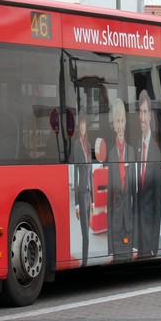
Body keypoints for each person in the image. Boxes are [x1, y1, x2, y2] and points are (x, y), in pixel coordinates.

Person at [135, 90, 161, 258]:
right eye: (140, 112)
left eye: (145, 112)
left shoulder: (155, 151)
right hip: (138, 234)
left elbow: (158, 203)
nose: (142, 117)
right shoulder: (137, 145)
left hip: (149, 237)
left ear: (150, 115)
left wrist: (154, 245)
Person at [107, 98, 135, 262]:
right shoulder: (111, 155)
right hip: (117, 224)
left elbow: (135, 198)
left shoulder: (132, 152)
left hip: (130, 222)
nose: (120, 125)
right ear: (114, 124)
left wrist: (136, 245)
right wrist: (110, 250)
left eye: (122, 120)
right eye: (117, 121)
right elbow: (110, 203)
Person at [71, 112, 93, 267]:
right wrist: (77, 204)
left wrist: (92, 200)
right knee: (85, 232)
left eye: (84, 124)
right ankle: (85, 262)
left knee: (88, 232)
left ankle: (87, 260)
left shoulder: (88, 145)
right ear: (78, 127)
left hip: (88, 194)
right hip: (81, 192)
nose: (82, 127)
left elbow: (90, 172)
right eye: (80, 125)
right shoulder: (77, 145)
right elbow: (76, 171)